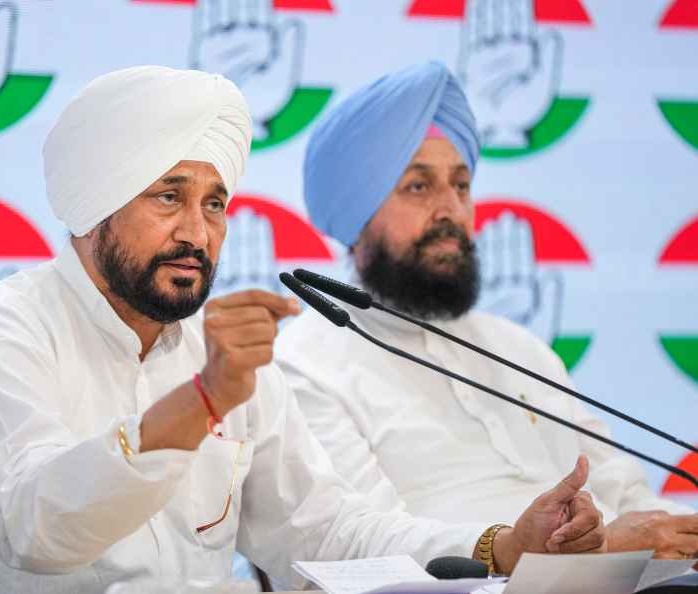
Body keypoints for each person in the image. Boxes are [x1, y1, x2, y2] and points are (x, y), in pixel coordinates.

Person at [0, 65, 607, 594]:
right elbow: (38, 527)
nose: (196, 233)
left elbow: (329, 531)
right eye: (168, 196)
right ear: (93, 209)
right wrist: (201, 402)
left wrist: (502, 545)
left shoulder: (223, 358)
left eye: (214, 204)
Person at [276, 61, 697, 565]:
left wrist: (674, 536)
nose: (450, 209)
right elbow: (357, 547)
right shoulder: (303, 364)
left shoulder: (518, 346)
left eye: (461, 184)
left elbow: (627, 496)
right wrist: (564, 549)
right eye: (418, 186)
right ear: (356, 213)